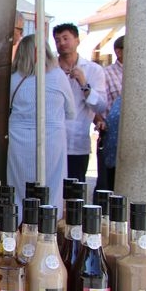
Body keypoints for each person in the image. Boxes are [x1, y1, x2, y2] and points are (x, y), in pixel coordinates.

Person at [7, 35, 75, 218]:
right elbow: (71, 112)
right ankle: (48, 224)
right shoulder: (58, 76)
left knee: (19, 187)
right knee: (52, 186)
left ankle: (20, 223)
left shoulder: (13, 79)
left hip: (18, 137)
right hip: (52, 136)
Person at [53, 23, 107, 182]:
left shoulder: (93, 70)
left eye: (66, 38)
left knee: (74, 190)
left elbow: (101, 106)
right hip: (51, 141)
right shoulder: (48, 69)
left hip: (77, 143)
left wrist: (84, 84)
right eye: (57, 40)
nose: (62, 43)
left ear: (77, 40)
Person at [93, 35, 124, 193]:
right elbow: (95, 104)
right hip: (110, 136)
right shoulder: (106, 73)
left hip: (129, 139)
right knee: (106, 185)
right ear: (119, 52)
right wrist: (100, 122)